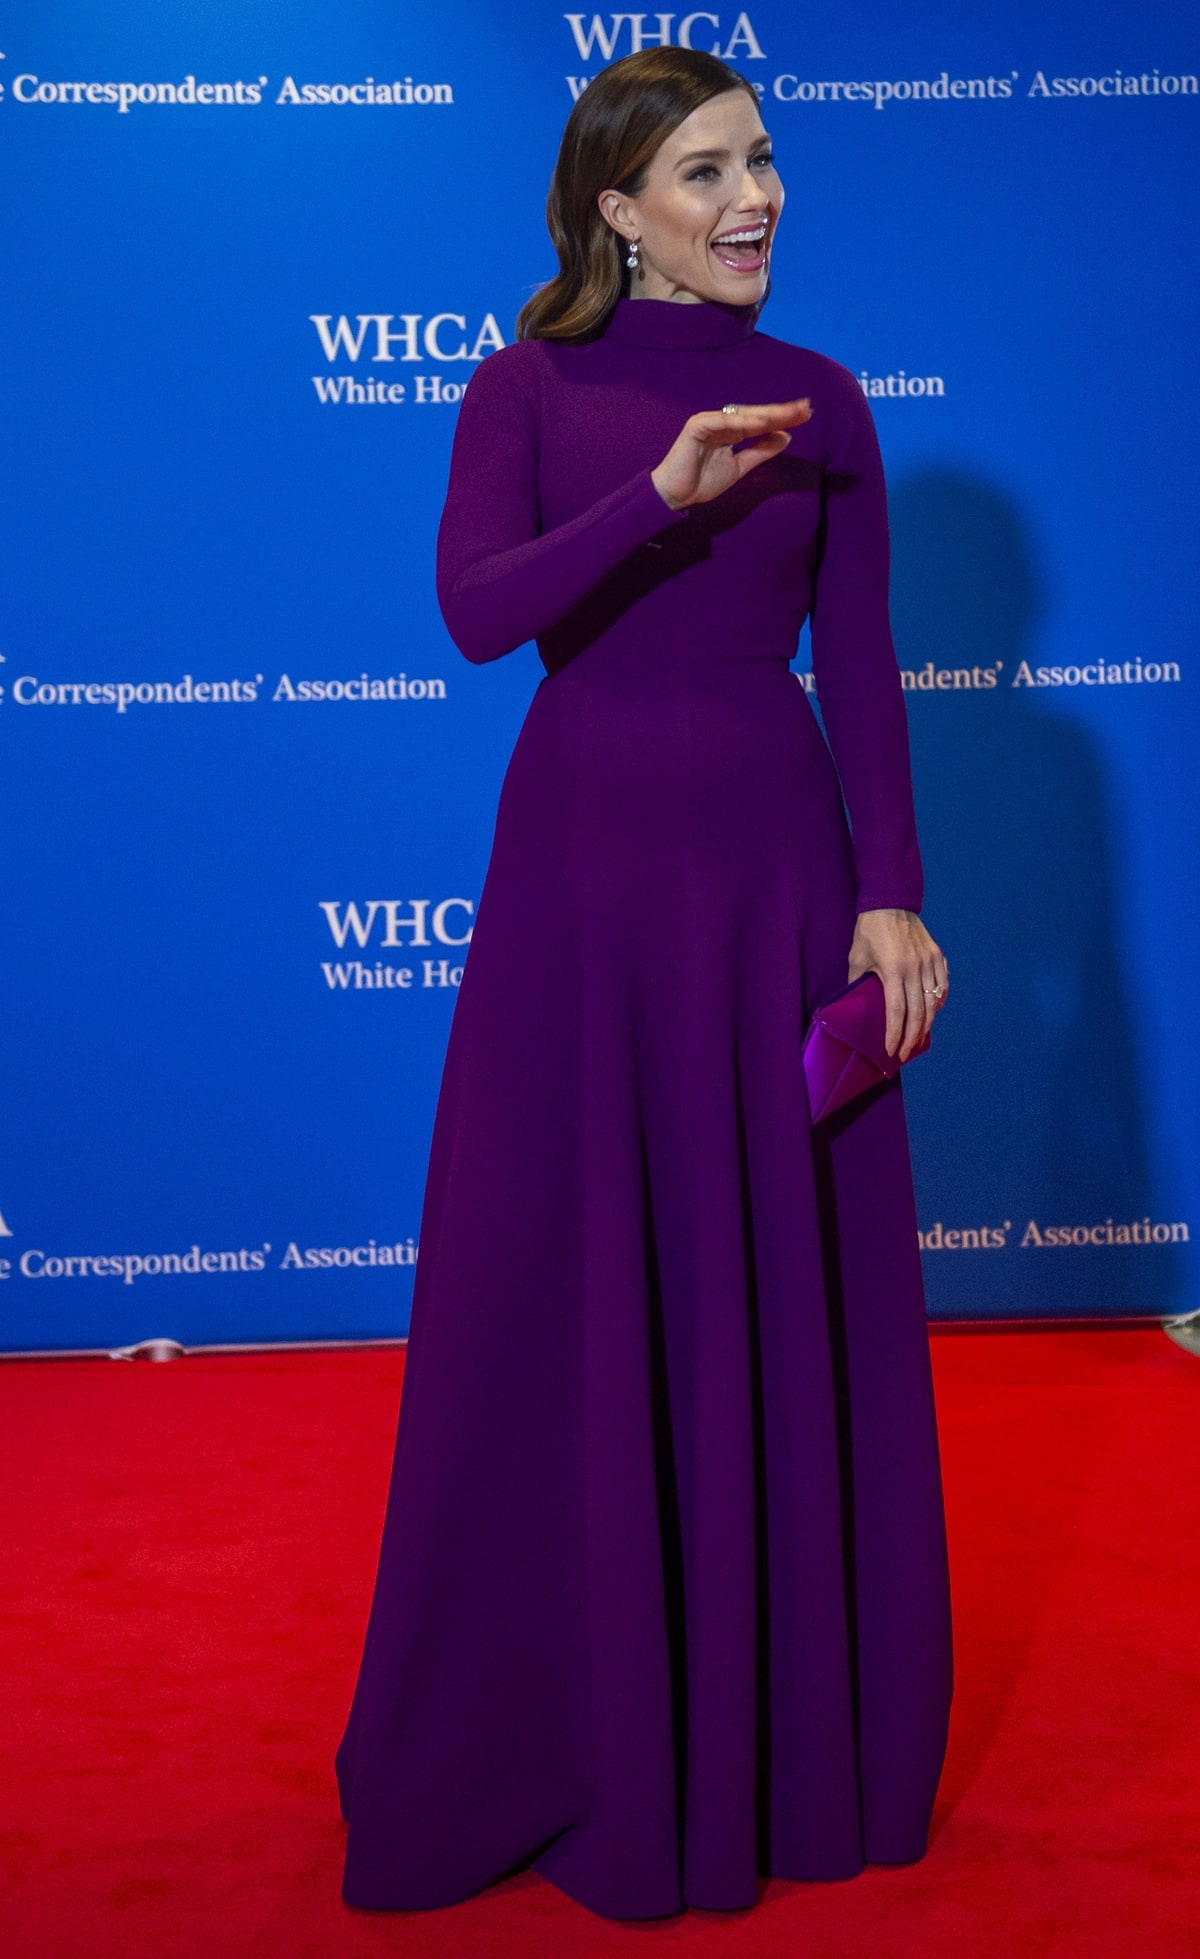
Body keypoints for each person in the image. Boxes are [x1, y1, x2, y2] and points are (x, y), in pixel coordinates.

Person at [335, 44, 953, 1923]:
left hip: (774, 879)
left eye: (762, 162)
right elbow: (475, 616)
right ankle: (571, 1726)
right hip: (585, 893)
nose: (752, 199)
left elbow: (860, 667)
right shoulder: (525, 386)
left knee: (784, 1286)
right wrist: (661, 498)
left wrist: (892, 902)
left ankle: (781, 1750)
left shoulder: (827, 400)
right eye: (703, 174)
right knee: (575, 1286)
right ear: (618, 212)